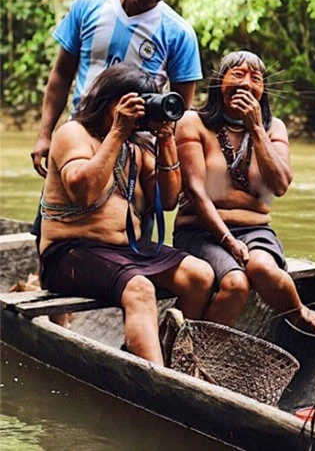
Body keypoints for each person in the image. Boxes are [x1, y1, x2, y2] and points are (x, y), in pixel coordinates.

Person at [39, 63, 214, 365]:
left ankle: (160, 358)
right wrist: (118, 131)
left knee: (200, 276)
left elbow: (170, 200)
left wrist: (166, 141)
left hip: (122, 251)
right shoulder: (73, 133)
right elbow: (85, 191)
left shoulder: (137, 144)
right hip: (68, 253)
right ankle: (157, 381)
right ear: (109, 102)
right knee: (140, 288)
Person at [172, 50, 315, 340]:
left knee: (262, 267)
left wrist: (256, 129)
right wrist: (227, 240)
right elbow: (196, 192)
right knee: (236, 284)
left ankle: (301, 313)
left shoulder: (274, 128)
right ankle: (193, 356)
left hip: (256, 230)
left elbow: (281, 185)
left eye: (255, 78)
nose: (246, 84)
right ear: (218, 83)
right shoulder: (192, 122)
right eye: (237, 75)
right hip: (201, 231)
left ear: (263, 91)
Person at [32, 0, 202, 177]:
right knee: (58, 210)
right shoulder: (88, 5)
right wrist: (45, 135)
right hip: (79, 136)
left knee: (127, 215)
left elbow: (181, 108)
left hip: (137, 149)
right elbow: (61, 74)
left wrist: (168, 158)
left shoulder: (179, 33)